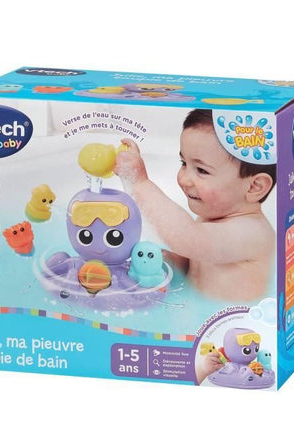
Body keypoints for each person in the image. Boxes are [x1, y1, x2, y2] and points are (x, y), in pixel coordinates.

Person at [114, 109, 276, 301]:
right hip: (198, 309)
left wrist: (139, 182)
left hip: (233, 318)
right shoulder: (211, 219)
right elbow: (194, 260)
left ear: (255, 187)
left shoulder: (252, 232)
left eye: (201, 170)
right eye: (183, 163)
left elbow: (187, 239)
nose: (184, 179)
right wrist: (162, 261)